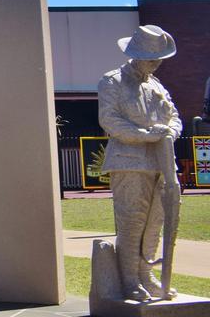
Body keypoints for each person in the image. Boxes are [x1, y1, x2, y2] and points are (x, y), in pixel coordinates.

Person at [98, 24, 180, 302]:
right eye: (151, 58)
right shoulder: (113, 81)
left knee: (155, 221)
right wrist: (144, 135)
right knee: (132, 222)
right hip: (129, 163)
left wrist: (169, 131)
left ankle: (146, 273)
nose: (156, 64)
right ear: (135, 54)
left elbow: (175, 117)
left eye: (159, 59)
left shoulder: (157, 86)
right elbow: (109, 119)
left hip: (162, 162)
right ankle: (130, 279)